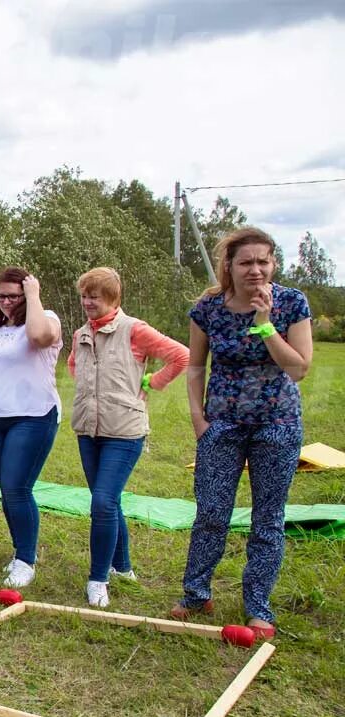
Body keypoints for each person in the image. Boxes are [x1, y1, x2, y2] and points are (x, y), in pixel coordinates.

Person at [171, 227, 313, 639]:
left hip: (278, 424)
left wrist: (266, 324)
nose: (256, 270)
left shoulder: (291, 303)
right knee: (212, 513)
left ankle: (258, 606)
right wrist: (199, 418)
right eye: (246, 262)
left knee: (267, 519)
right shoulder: (209, 307)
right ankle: (197, 594)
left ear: (273, 264)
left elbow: (299, 368)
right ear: (229, 266)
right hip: (222, 425)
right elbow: (196, 365)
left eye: (263, 261)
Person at [69, 267, 189, 607]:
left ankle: (98, 578)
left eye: (95, 296)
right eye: (84, 296)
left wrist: (153, 382)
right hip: (88, 430)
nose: (88, 302)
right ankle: (123, 567)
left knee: (103, 502)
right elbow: (74, 365)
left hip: (124, 431)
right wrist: (87, 396)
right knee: (108, 500)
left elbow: (181, 356)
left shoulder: (134, 329)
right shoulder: (81, 333)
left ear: (113, 298)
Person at [0, 269, 63, 588]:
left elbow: (40, 338)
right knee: (6, 490)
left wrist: (35, 295)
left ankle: (26, 559)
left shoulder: (45, 318)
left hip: (34, 415)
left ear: (27, 295)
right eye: (1, 296)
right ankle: (19, 551)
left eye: (14, 296)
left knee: (16, 487)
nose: (7, 302)